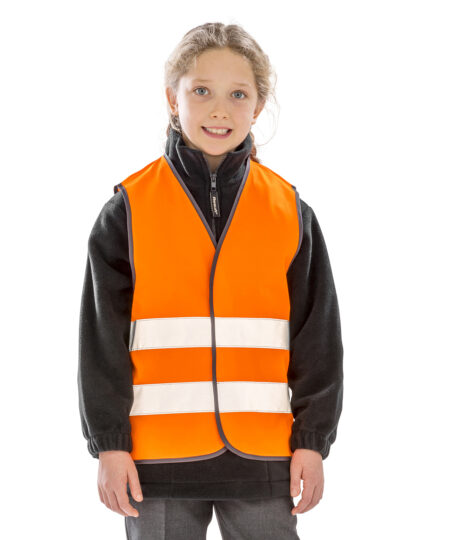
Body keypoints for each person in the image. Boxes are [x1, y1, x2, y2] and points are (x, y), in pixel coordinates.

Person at [77, 21, 344, 540]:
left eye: (237, 94)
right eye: (201, 91)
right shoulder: (128, 210)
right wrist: (109, 444)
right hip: (156, 462)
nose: (219, 110)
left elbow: (319, 338)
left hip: (264, 458)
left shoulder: (290, 212)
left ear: (257, 107)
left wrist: (313, 439)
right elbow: (100, 342)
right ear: (172, 99)